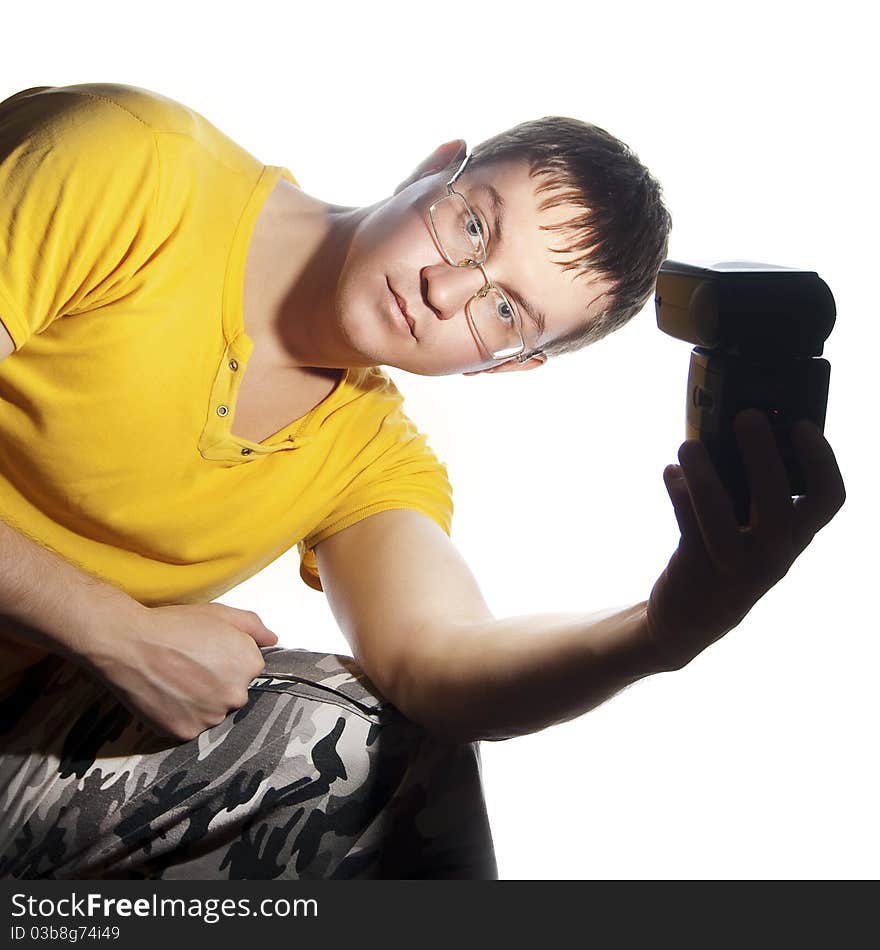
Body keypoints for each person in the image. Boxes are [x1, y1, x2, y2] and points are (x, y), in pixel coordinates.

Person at [0, 83, 845, 879]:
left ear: (506, 368)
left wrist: (662, 632)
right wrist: (117, 631)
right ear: (436, 166)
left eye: (505, 312)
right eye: (473, 227)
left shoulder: (369, 451)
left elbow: (444, 664)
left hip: (18, 739)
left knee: (379, 748)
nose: (444, 291)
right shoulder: (131, 165)